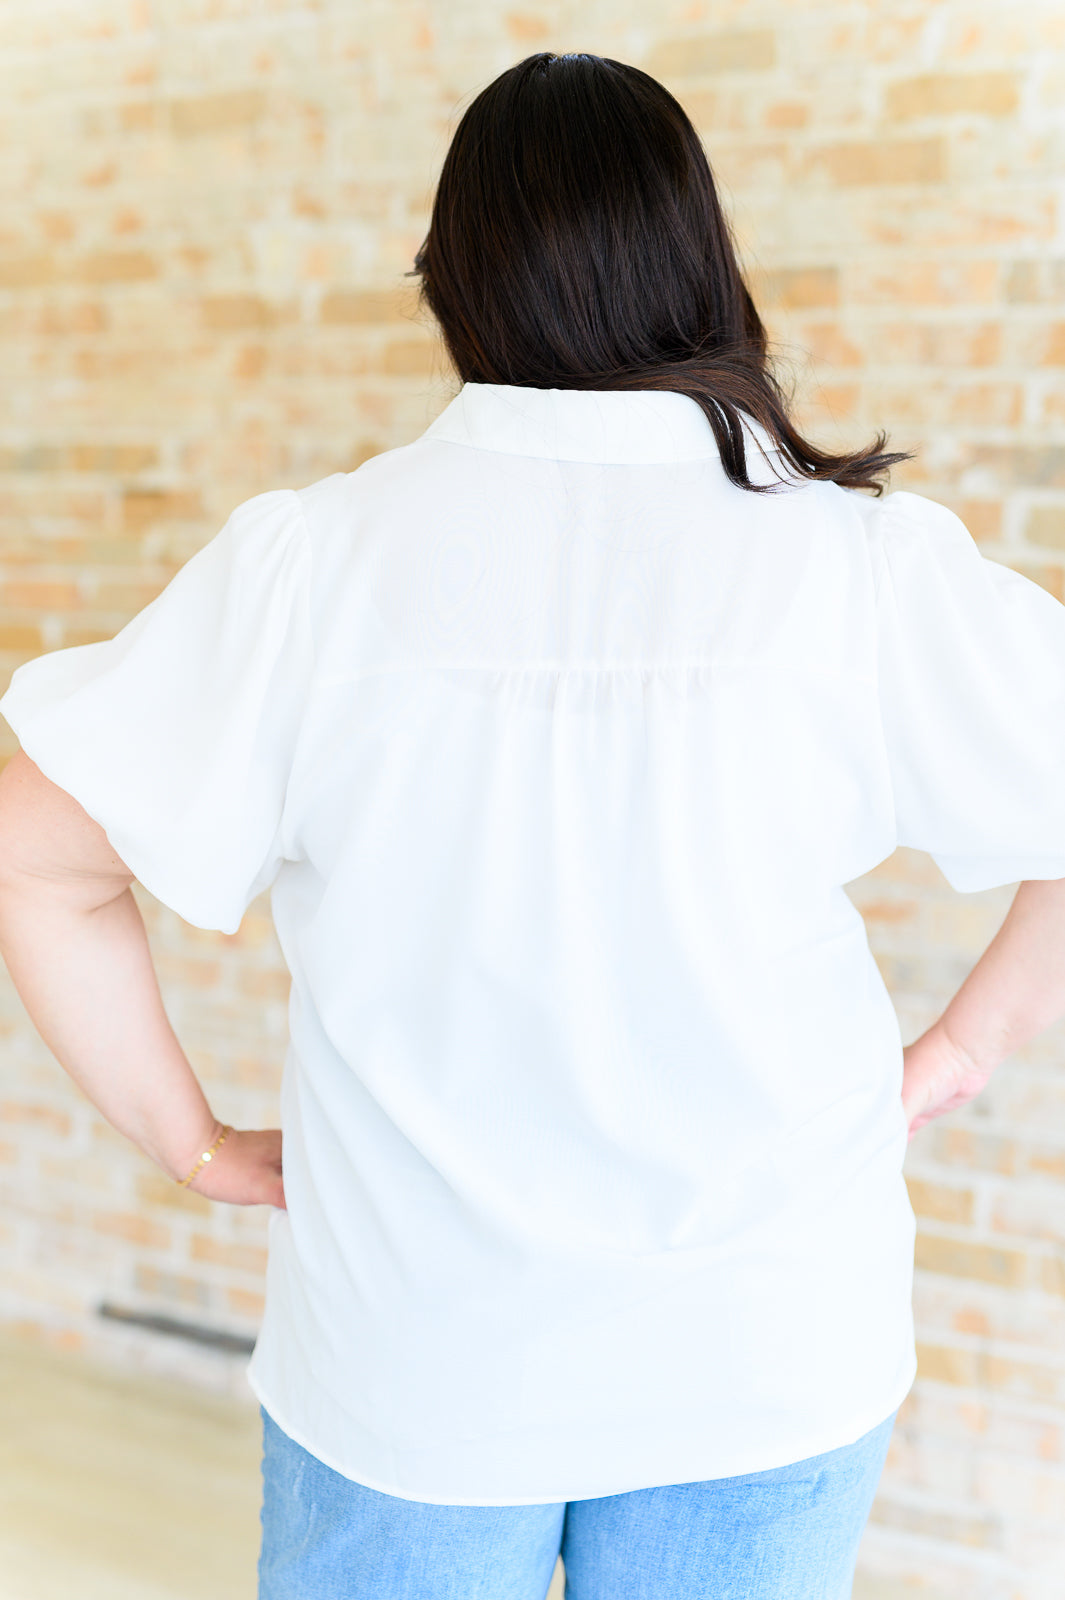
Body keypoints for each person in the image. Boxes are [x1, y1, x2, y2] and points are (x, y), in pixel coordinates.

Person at [0, 48, 1064, 1600]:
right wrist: (955, 1053)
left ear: (456, 283)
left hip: (409, 1363)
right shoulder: (858, 566)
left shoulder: (314, 566)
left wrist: (194, 1143)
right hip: (761, 1354)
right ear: (701, 263)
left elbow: (35, 855)